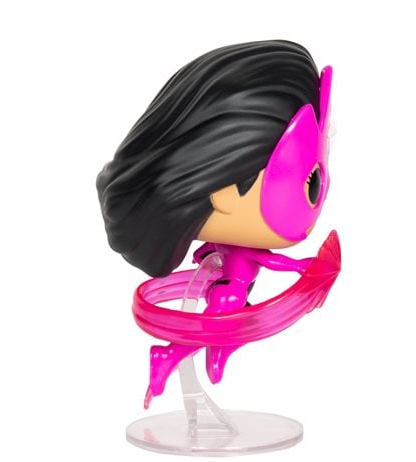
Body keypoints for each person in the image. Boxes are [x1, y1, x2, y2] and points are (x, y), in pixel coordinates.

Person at [96, 40, 333, 402]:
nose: (323, 188)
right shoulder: (244, 250)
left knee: (229, 333)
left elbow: (229, 255)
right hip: (229, 295)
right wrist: (301, 266)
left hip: (231, 291)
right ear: (226, 195)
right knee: (223, 332)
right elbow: (270, 261)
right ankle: (170, 357)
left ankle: (187, 357)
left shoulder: (232, 247)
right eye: (310, 180)